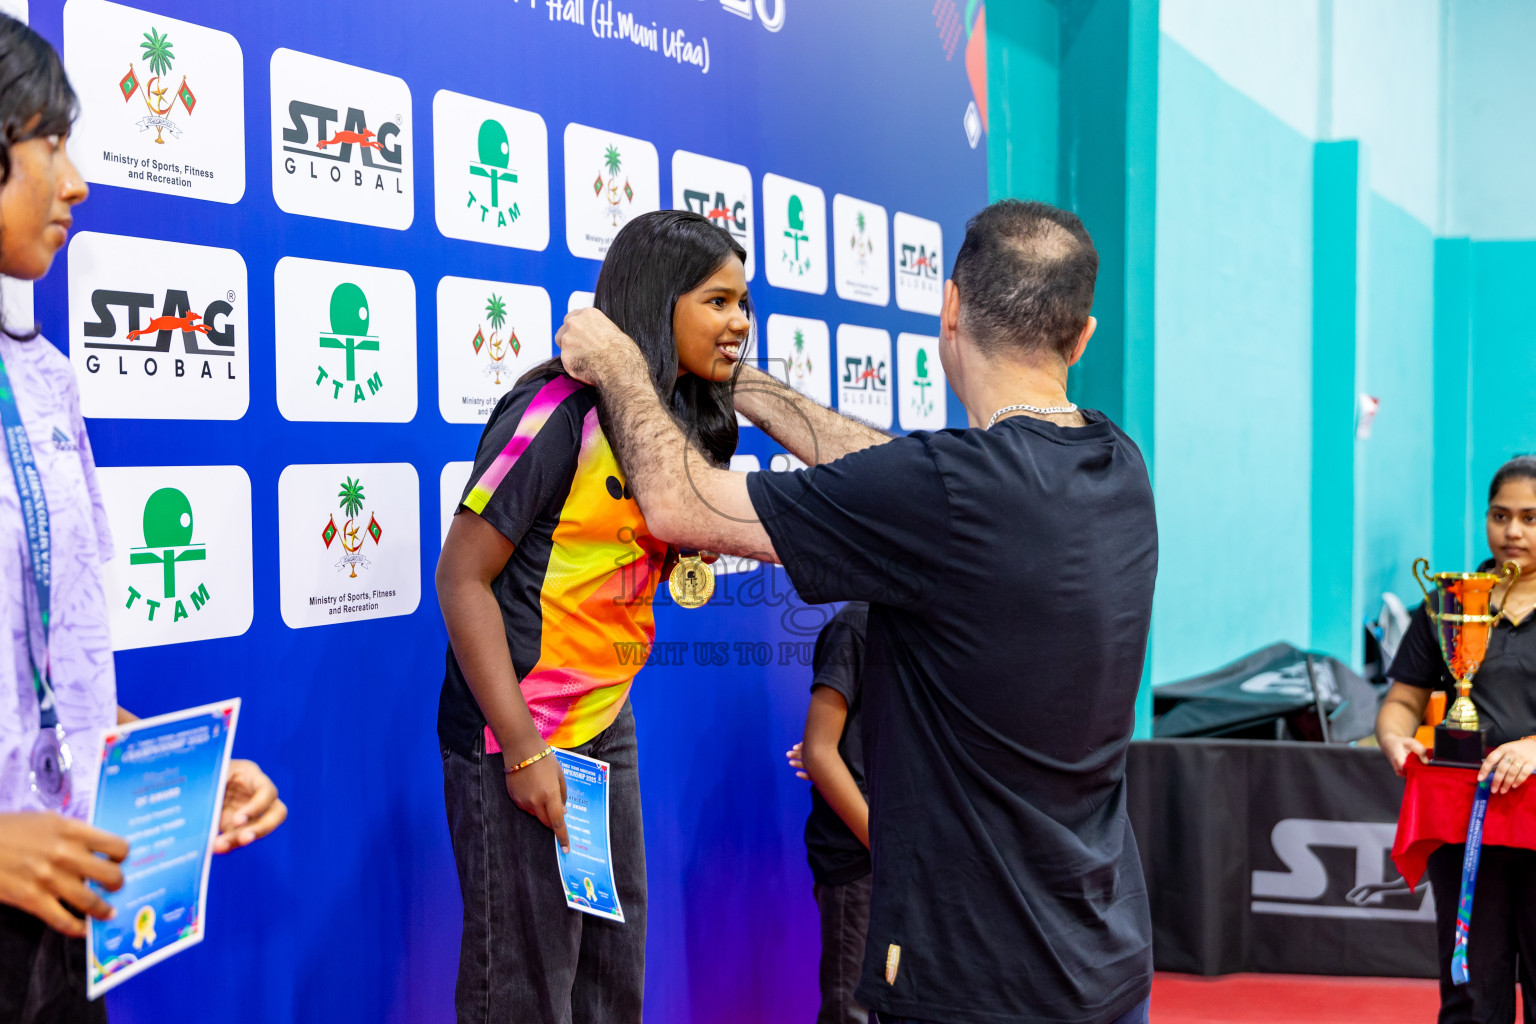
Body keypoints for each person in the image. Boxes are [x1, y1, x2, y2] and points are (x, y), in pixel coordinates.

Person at [557, 199, 1157, 1024]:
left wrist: (621, 364)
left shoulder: (949, 491)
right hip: (1108, 963)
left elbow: (676, 503)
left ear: (950, 305)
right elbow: (890, 476)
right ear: (1082, 336)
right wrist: (740, 376)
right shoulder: (1117, 463)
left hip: (976, 982)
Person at [0, 17, 285, 1022]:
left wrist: (168, 768)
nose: (74, 180)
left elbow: (38, 669)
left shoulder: (41, 378)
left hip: (58, 920)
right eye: (47, 143)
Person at [435, 208, 749, 1024]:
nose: (740, 322)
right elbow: (461, 580)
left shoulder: (671, 420)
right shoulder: (555, 413)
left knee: (611, 984)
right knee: (524, 994)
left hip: (605, 726)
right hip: (521, 734)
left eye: (744, 303)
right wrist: (522, 751)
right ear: (657, 300)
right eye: (718, 302)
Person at [1375, 455, 1536, 1024]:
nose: (1512, 531)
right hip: (1468, 825)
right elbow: (1400, 703)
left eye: (1530, 518)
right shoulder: (1448, 602)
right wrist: (1397, 741)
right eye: (1500, 515)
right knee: (1471, 990)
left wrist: (1534, 748)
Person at [787, 602, 872, 1024]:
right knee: (850, 1010)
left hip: (910, 860)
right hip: (858, 863)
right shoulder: (855, 626)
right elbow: (820, 751)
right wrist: (887, 844)